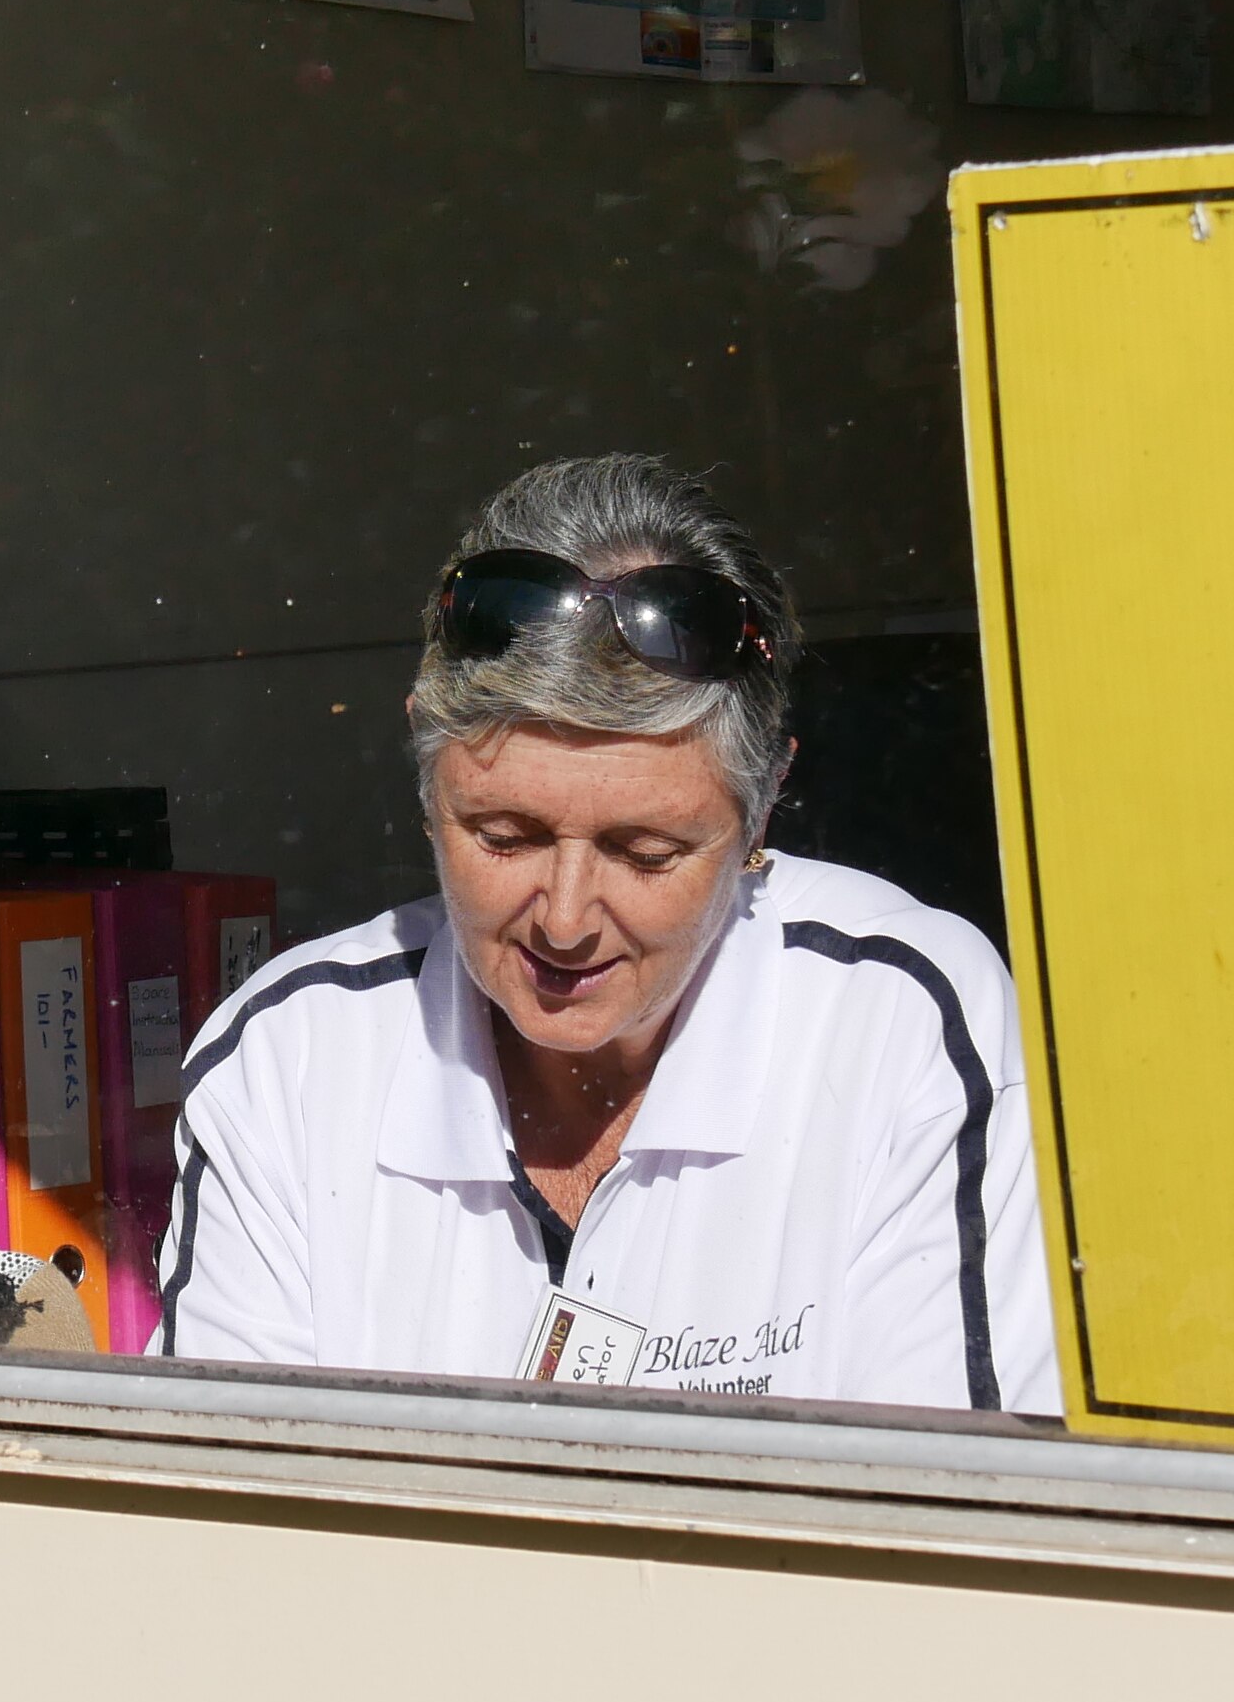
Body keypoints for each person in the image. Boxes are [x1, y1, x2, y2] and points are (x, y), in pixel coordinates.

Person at [154, 455, 1060, 1414]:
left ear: (760, 815)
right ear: (428, 785)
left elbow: (951, 1523)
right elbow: (224, 1525)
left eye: (647, 850)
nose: (566, 918)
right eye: (505, 836)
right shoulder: (291, 1059)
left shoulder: (896, 1022)